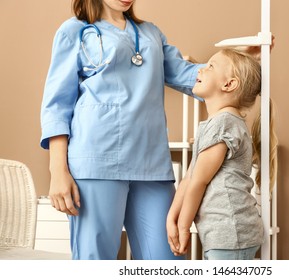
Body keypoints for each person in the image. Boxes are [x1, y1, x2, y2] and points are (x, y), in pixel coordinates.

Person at [40, 0, 204, 260]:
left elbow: (191, 76)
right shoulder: (74, 31)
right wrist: (57, 170)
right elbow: (57, 104)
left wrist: (245, 64)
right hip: (97, 161)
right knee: (96, 262)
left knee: (168, 262)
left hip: (151, 164)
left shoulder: (151, 33)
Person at [166, 48, 278, 260]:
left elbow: (198, 182)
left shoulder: (224, 124)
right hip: (225, 234)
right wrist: (172, 216)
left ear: (229, 84)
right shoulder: (216, 124)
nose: (201, 70)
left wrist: (183, 227)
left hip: (230, 233)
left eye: (210, 66)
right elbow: (189, 178)